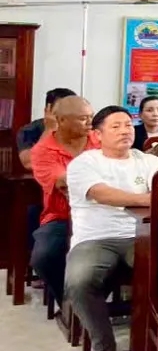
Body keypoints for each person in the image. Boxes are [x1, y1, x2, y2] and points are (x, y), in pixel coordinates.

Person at [65, 106, 158, 351]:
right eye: (116, 126)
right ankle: (102, 348)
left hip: (142, 236)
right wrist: (147, 199)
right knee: (79, 280)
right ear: (97, 135)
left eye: (128, 125)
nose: (125, 130)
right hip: (96, 238)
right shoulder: (84, 163)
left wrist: (156, 199)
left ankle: (156, 344)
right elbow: (102, 194)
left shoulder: (148, 161)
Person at [29, 96, 99, 310]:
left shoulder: (99, 140)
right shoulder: (43, 150)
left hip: (103, 214)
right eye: (83, 119)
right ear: (61, 120)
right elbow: (63, 181)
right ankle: (68, 301)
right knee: (43, 256)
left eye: (91, 117)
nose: (90, 123)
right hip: (61, 216)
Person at [17, 87, 76, 170]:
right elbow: (28, 162)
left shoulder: (82, 129)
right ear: (47, 111)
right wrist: (49, 130)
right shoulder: (29, 130)